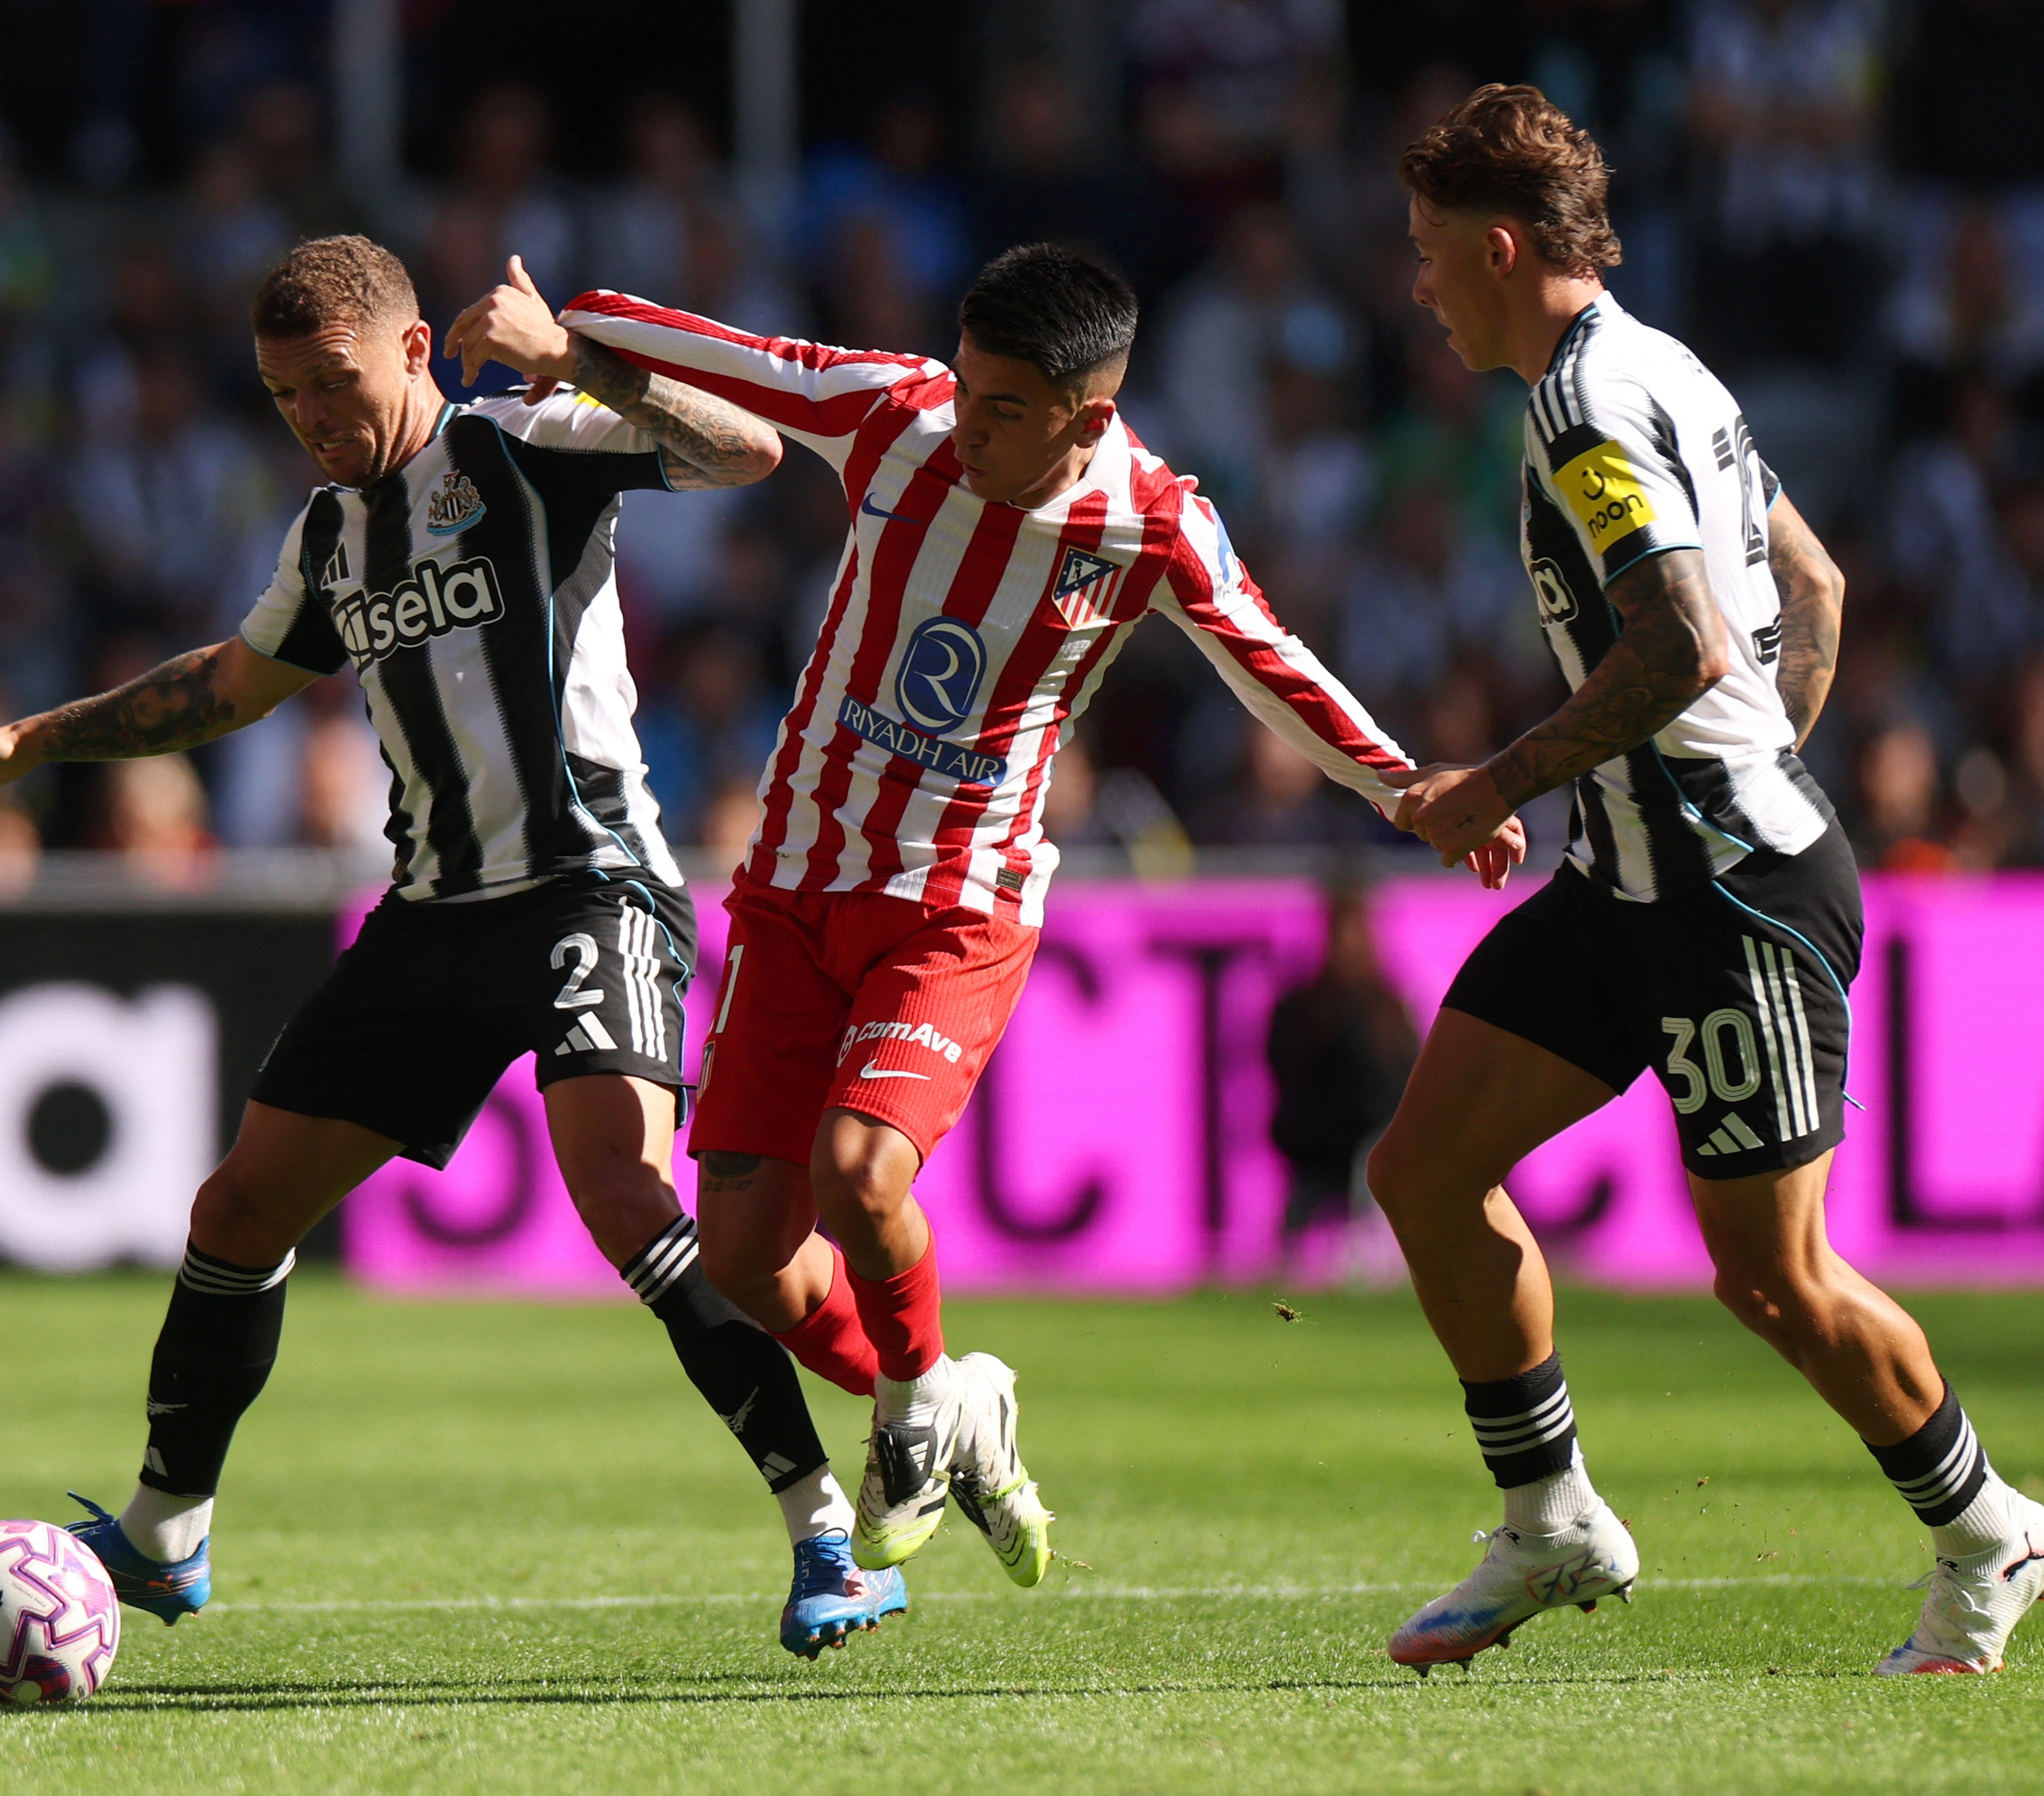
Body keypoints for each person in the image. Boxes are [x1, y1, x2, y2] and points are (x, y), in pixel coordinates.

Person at [0, 236, 906, 1660]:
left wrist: (575, 361)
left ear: (414, 352)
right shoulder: (328, 535)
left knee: (617, 1188)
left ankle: (822, 1531)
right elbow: (225, 687)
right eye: (282, 394)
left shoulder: (530, 450)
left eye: (330, 384)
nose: (310, 417)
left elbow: (748, 459)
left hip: (587, 884)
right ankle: (168, 1533)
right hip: (431, 913)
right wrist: (29, 743)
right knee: (235, 1211)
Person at [456, 242, 1525, 1594]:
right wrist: (556, 333)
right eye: (965, 387)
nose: (965, 424)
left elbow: (1272, 664)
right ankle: (953, 1395)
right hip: (792, 883)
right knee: (739, 1254)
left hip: (956, 902)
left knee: (856, 1177)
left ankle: (910, 1421)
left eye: (1003, 407)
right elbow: (689, 341)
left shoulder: (1148, 520)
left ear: (1085, 415)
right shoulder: (892, 414)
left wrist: (1407, 786)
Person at [1370, 86, 2044, 1678]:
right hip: (1639, 877)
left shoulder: (1584, 410)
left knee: (1772, 1280)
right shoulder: (1660, 362)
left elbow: (1682, 642)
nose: (1415, 285)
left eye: (1425, 255)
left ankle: (1987, 1533)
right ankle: (1549, 1522)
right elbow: (1807, 584)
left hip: (1721, 896)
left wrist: (1502, 782)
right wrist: (1731, 767)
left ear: (1495, 248)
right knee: (1421, 1170)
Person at [1264, 882, 1418, 1274]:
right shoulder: (1302, 1009)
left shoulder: (1390, 1010)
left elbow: (1406, 1084)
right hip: (1317, 1149)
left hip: (1377, 1148)